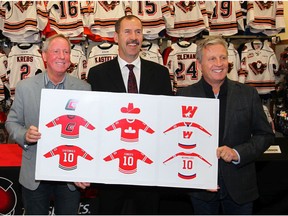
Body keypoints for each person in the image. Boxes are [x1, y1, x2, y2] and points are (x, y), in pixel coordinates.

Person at [176, 36, 275, 214]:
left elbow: (265, 135)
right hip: (200, 189)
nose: (219, 63)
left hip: (240, 188)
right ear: (199, 65)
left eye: (223, 57)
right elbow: (175, 141)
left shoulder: (248, 94)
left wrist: (237, 153)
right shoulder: (183, 97)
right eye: (212, 59)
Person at [87, 15, 173, 214]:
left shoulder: (160, 74)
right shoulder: (97, 74)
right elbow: (94, 122)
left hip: (148, 167)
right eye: (127, 32)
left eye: (138, 32)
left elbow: (166, 120)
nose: (133, 37)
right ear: (116, 37)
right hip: (110, 168)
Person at [5, 34, 91, 215]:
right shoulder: (25, 87)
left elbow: (89, 133)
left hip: (70, 175)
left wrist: (85, 169)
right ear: (44, 56)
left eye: (66, 52)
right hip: (34, 174)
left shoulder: (84, 88)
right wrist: (25, 136)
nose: (62, 56)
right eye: (56, 51)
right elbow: (12, 122)